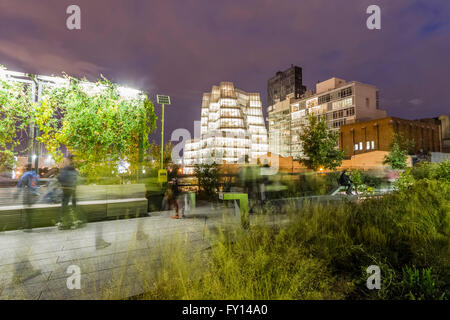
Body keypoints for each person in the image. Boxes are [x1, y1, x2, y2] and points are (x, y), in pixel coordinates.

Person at [57, 156, 79, 229]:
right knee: (73, 205)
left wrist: (61, 184)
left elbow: (59, 178)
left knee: (64, 206)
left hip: (66, 189)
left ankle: (63, 222)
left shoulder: (65, 169)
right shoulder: (74, 170)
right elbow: (76, 179)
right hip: (72, 189)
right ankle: (74, 221)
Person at [16, 165, 40, 231]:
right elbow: (37, 184)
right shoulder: (36, 175)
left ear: (26, 169)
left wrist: (16, 194)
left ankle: (27, 227)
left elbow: (20, 184)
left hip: (28, 195)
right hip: (35, 195)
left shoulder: (25, 175)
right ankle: (29, 226)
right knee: (30, 210)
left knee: (27, 211)